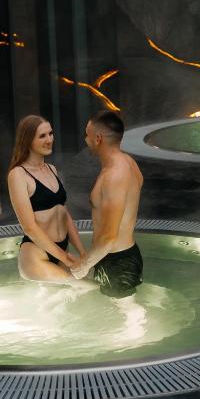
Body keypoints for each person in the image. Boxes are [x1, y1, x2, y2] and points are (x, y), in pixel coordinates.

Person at [71, 110, 144, 297]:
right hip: (119, 257)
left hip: (117, 262)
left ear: (98, 138)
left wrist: (84, 266)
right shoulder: (129, 163)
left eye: (86, 135)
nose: (85, 140)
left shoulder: (114, 176)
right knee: (122, 314)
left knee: (129, 318)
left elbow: (110, 236)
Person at [7, 115, 85, 283]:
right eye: (42, 136)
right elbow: (29, 227)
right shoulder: (18, 175)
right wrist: (66, 258)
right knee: (83, 288)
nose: (49, 139)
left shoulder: (52, 169)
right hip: (37, 254)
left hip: (62, 250)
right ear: (27, 139)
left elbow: (64, 214)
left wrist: (82, 252)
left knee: (78, 295)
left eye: (50, 134)